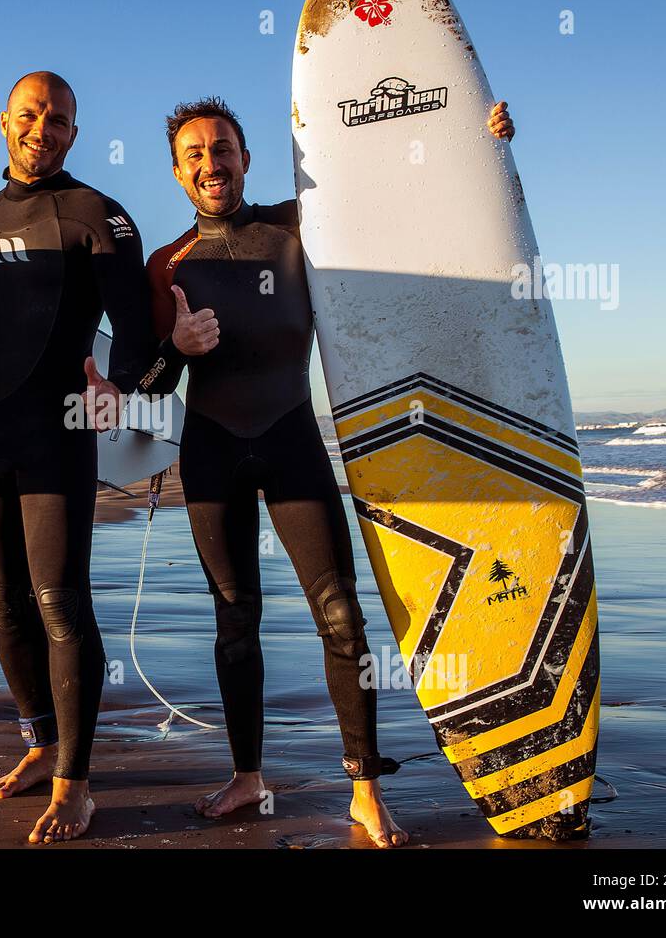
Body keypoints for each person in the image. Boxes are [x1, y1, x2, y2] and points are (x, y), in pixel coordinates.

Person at [87, 97, 515, 848]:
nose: (210, 163)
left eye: (222, 148)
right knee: (235, 619)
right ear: (179, 172)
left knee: (341, 612)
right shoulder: (169, 263)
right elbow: (145, 391)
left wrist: (477, 144)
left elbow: (399, 193)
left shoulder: (299, 226)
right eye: (194, 154)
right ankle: (248, 777)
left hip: (291, 439)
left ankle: (364, 786)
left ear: (246, 159)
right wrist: (177, 348)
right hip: (213, 449)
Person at [0, 71, 160, 844]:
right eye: (31, 114)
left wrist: (122, 389)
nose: (44, 128)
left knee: (60, 602)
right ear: (4, 121)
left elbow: (136, 327)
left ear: (74, 132)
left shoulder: (98, 215)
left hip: (57, 431)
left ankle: (75, 782)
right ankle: (39, 743)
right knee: (3, 600)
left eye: (59, 119)